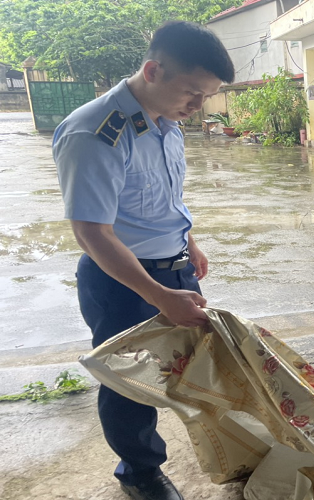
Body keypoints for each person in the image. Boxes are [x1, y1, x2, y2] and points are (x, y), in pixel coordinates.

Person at [53, 21, 234, 500]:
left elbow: (165, 198)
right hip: (124, 282)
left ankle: (219, 447)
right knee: (129, 382)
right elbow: (92, 232)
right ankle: (140, 472)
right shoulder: (95, 132)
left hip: (174, 267)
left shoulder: (166, 124)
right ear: (153, 70)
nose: (198, 108)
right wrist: (158, 295)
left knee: (185, 365)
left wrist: (187, 241)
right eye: (192, 93)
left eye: (206, 98)